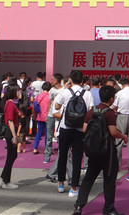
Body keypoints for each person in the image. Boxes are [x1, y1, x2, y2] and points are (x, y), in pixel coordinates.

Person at [72, 85, 127, 215]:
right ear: (112, 99)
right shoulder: (109, 113)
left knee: (88, 178)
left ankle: (79, 206)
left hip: (93, 150)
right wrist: (123, 136)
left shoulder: (92, 111)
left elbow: (85, 129)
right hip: (108, 151)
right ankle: (108, 209)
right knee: (109, 180)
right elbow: (113, 132)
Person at [54, 70, 94, 198]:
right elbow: (91, 111)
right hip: (79, 130)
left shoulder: (65, 92)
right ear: (82, 81)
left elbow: (56, 107)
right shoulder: (87, 94)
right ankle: (73, 187)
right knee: (77, 158)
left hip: (65, 128)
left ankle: (61, 183)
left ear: (70, 80)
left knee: (62, 155)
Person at [0, 83, 21, 189]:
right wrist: (14, 136)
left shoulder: (10, 103)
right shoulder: (11, 104)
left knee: (12, 156)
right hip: (10, 131)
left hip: (10, 131)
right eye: (18, 91)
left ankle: (3, 177)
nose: (19, 93)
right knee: (11, 156)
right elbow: (10, 121)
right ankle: (6, 180)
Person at [45, 73, 63, 163]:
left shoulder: (63, 90)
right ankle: (47, 155)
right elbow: (50, 102)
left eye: (52, 79)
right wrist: (47, 114)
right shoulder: (51, 90)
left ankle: (60, 155)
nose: (51, 81)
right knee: (49, 136)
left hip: (60, 115)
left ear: (56, 81)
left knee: (59, 136)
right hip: (51, 115)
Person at [32, 82, 51, 154]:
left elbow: (35, 106)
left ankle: (35, 148)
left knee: (39, 132)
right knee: (47, 134)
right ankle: (46, 149)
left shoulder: (38, 96)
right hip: (47, 116)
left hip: (39, 116)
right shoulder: (49, 96)